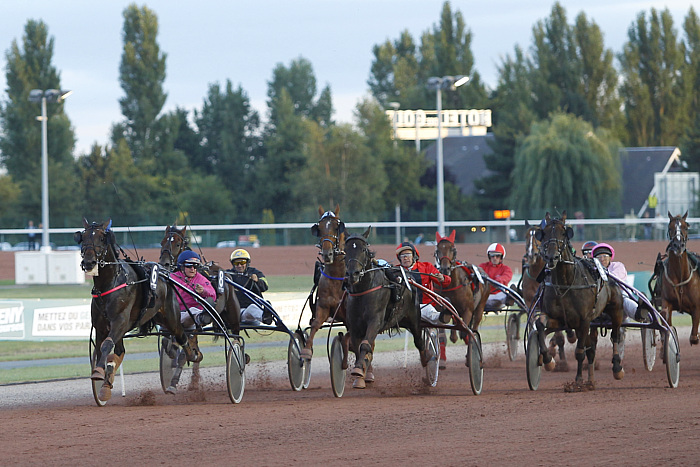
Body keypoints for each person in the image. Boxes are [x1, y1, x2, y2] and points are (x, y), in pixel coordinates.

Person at [396, 241, 452, 367]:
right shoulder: (395, 271)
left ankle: (442, 317)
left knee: (432, 314)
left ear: (414, 256)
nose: (405, 258)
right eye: (402, 256)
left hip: (423, 307)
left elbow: (445, 281)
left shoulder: (426, 267)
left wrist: (442, 278)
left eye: (408, 254)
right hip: (403, 310)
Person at [591, 243, 647, 322]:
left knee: (625, 301)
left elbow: (616, 279)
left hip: (617, 295)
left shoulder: (617, 266)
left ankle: (638, 314)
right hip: (598, 297)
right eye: (599, 257)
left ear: (610, 257)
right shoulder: (591, 269)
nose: (602, 259)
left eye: (605, 256)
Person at [170, 250, 216, 328]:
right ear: (181, 266)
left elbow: (213, 294)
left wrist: (203, 291)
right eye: (189, 266)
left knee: (193, 311)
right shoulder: (172, 277)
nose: (192, 269)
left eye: (195, 266)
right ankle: (201, 318)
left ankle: (202, 318)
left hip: (193, 314)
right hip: (175, 312)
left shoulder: (201, 279)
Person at [227, 248, 270, 325]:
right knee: (252, 308)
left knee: (253, 307)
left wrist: (257, 281)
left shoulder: (255, 272)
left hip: (254, 309)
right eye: (236, 263)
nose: (239, 266)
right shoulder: (228, 274)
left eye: (242, 262)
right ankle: (265, 317)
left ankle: (267, 314)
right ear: (233, 264)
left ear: (247, 262)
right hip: (237, 312)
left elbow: (265, 287)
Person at [479, 243, 513, 310]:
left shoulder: (506, 269)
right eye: (492, 255)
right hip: (484, 295)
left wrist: (496, 281)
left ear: (501, 257)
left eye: (497, 256)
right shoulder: (482, 266)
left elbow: (506, 277)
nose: (495, 258)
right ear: (489, 257)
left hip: (499, 295)